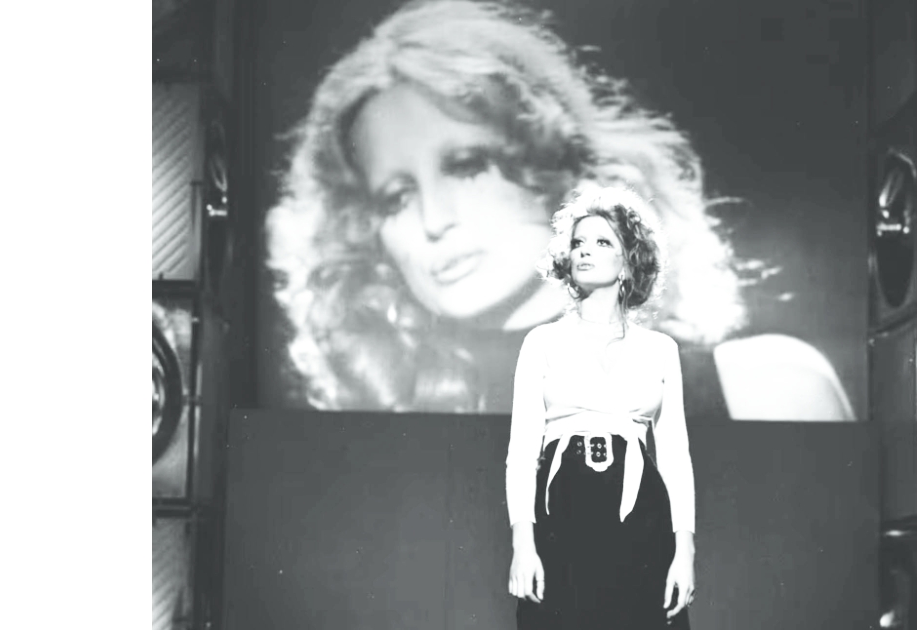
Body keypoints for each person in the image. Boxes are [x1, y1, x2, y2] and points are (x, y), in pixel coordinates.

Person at [265, 0, 855, 420]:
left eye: (467, 164)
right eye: (396, 197)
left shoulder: (768, 393)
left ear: (552, 160)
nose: (433, 220)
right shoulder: (368, 439)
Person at [506, 186, 694, 628]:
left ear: (628, 262)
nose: (585, 251)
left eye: (602, 242)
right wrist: (522, 545)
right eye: (578, 243)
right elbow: (521, 455)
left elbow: (675, 457)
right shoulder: (542, 342)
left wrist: (684, 553)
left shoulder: (660, 350)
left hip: (642, 521)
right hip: (563, 514)